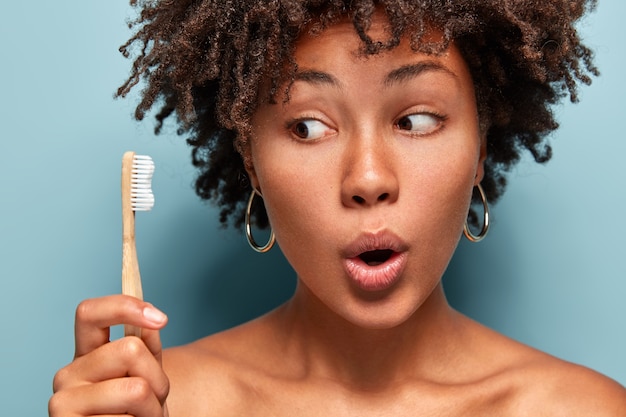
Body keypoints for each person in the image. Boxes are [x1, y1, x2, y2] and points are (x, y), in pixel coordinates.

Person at [49, 1, 626, 416]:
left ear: (480, 148)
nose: (368, 179)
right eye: (307, 126)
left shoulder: (587, 410)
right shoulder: (159, 404)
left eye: (417, 121)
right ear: (251, 162)